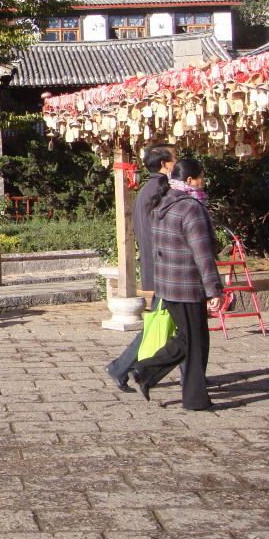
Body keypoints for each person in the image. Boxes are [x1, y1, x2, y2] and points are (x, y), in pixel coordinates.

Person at [129, 158, 224, 411]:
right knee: (194, 341)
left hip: (168, 283)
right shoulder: (190, 208)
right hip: (188, 284)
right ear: (191, 180)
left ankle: (147, 371)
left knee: (191, 338)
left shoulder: (161, 203)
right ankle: (192, 397)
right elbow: (201, 252)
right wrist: (214, 288)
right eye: (201, 177)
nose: (204, 182)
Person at [105, 144, 176, 392]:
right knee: (172, 325)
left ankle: (123, 367)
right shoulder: (161, 190)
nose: (176, 163)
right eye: (174, 159)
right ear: (165, 164)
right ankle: (122, 367)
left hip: (158, 264)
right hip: (166, 267)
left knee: (174, 325)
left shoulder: (150, 188)